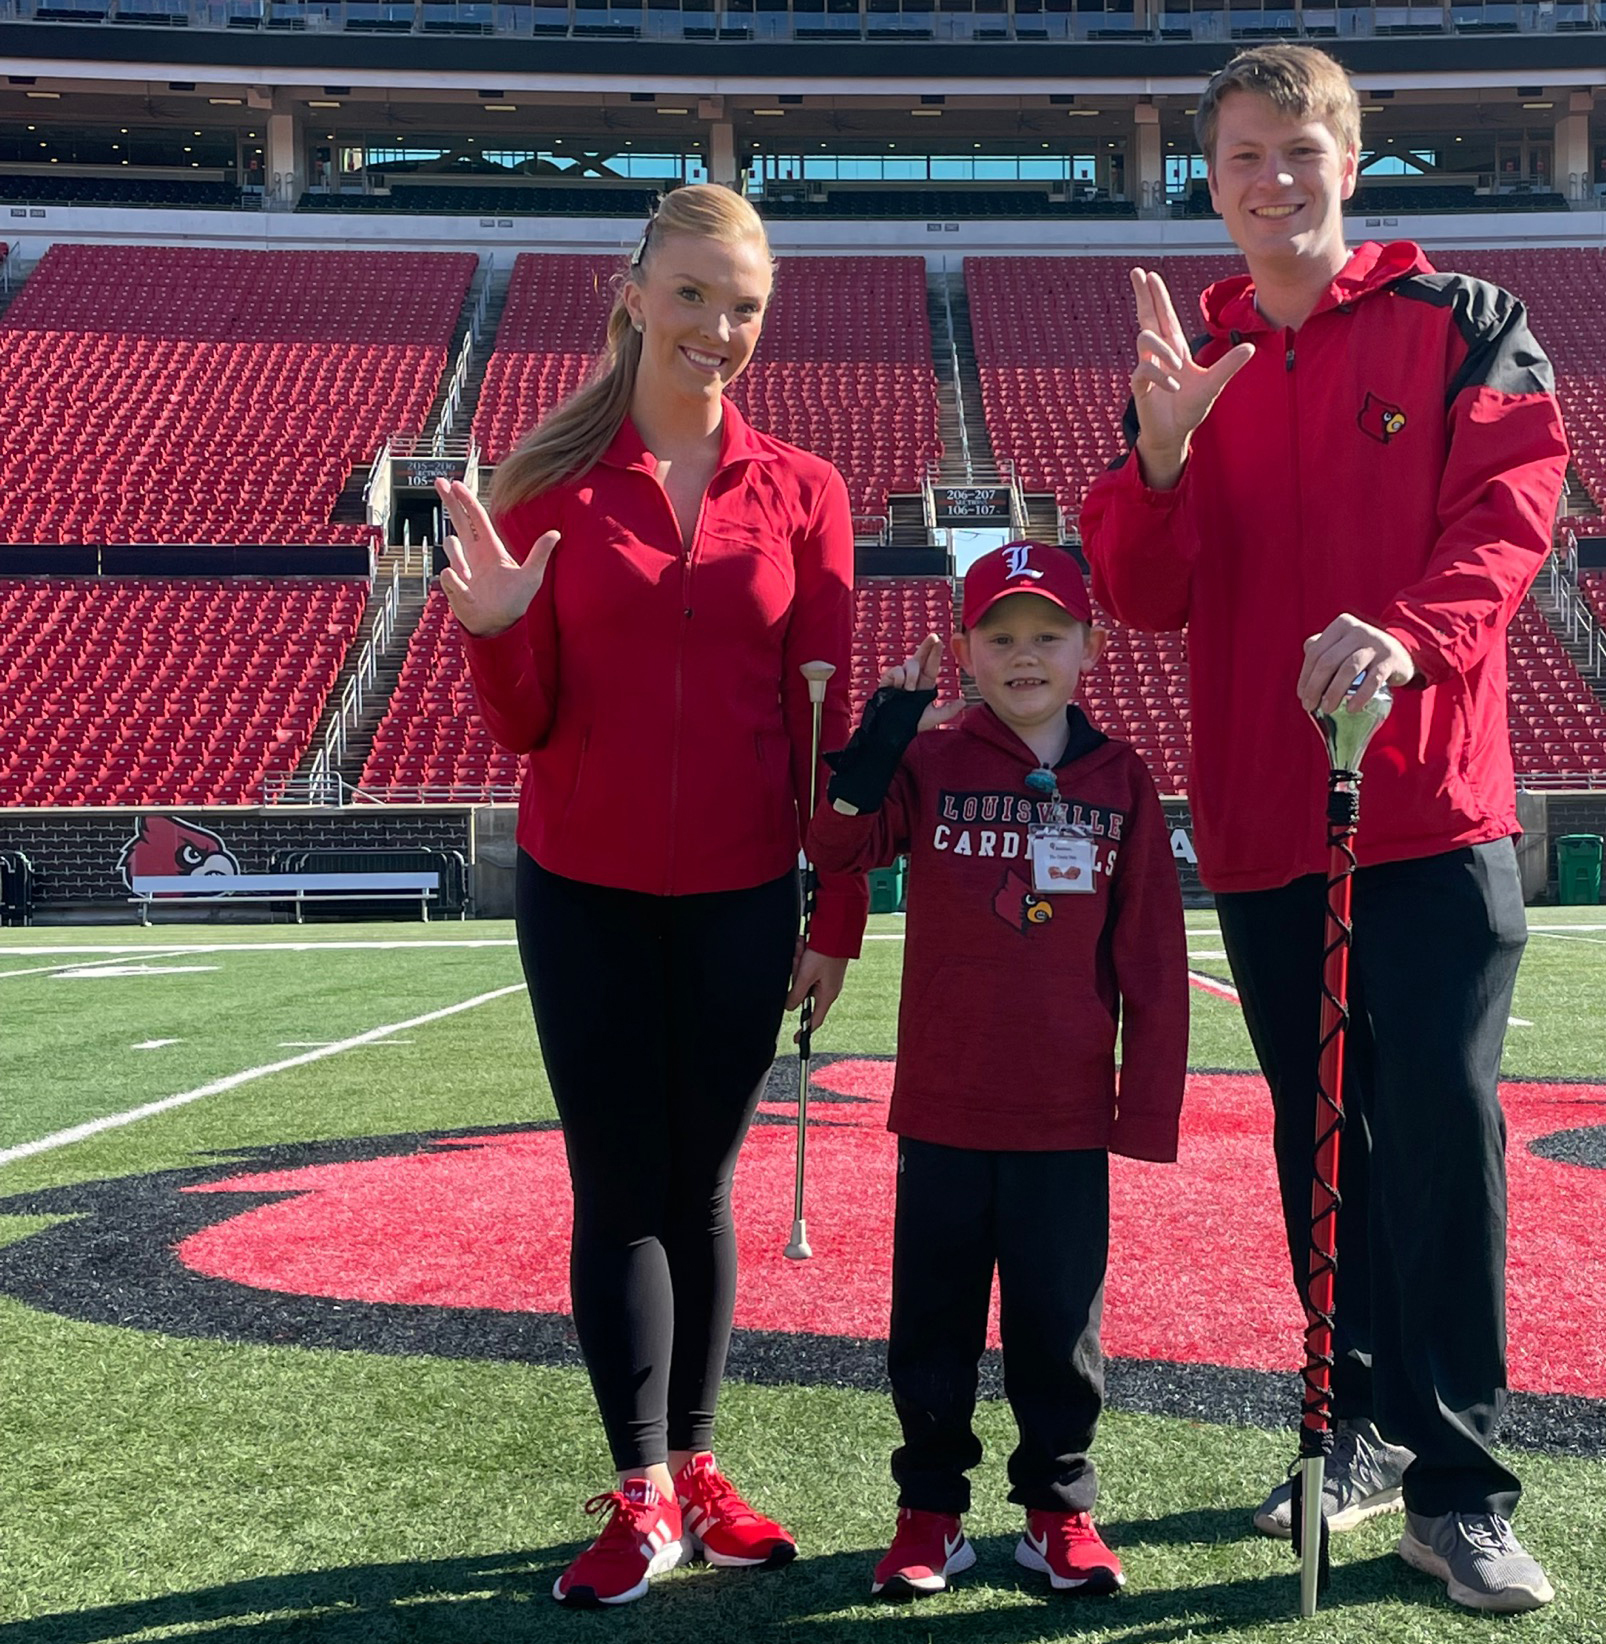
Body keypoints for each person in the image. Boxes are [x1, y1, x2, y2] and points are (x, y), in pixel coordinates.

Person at [1079, 44, 1569, 1616]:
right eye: (1240, 159)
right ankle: (1345, 1427)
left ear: (1350, 161)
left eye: (1297, 150)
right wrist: (1155, 453)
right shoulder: (1190, 368)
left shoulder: (1460, 323)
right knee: (1320, 1132)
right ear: (1207, 181)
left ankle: (1461, 1483)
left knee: (1439, 1127)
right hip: (1262, 819)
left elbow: (1506, 521)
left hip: (1423, 804)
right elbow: (1140, 596)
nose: (1270, 181)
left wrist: (1406, 636)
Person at [439, 183, 867, 1609]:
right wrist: (497, 634)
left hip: (746, 896)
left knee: (700, 1188)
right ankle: (638, 1492)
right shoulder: (546, 488)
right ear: (632, 295)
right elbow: (524, 723)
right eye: (691, 295)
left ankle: (694, 1465)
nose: (718, 329)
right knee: (621, 1188)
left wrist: (835, 917)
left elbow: (825, 730)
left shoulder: (807, 493)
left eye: (743, 305)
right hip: (584, 893)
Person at [806, 542, 1188, 1602]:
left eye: (1048, 636)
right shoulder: (932, 760)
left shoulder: (1122, 779)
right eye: (1001, 637)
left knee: (1059, 1332)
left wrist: (1141, 1108)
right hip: (945, 1103)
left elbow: (1151, 955)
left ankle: (1058, 1514)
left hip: (1064, 1114)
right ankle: (929, 1513)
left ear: (1090, 648)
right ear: (966, 652)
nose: (1026, 657)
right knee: (931, 1325)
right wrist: (886, 730)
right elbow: (835, 849)